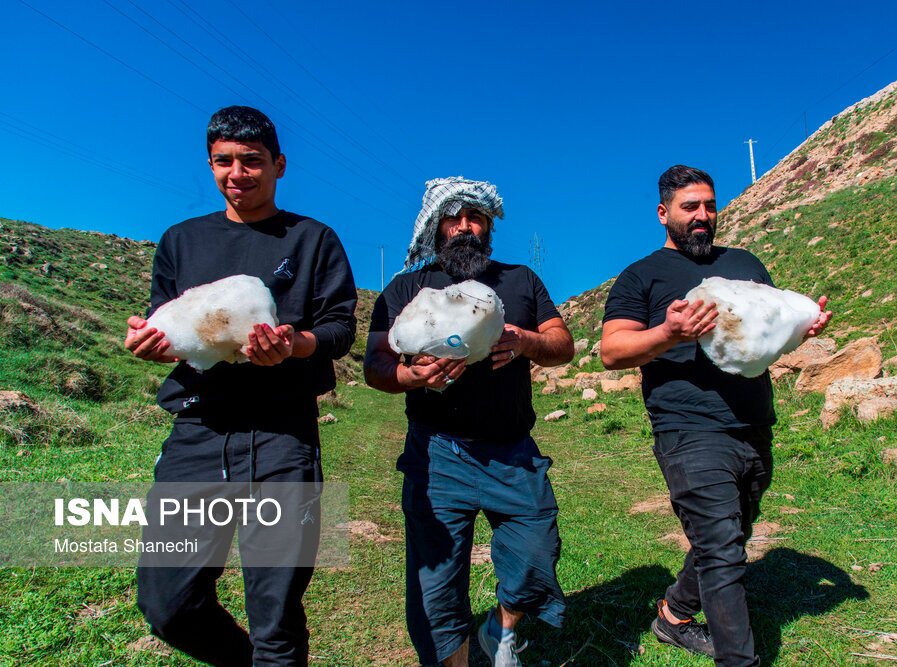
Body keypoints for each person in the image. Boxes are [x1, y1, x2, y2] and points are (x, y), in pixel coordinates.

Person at [124, 105, 357, 666]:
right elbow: (168, 321)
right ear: (209, 165)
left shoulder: (312, 240)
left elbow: (339, 327)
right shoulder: (180, 241)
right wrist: (149, 341)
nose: (238, 173)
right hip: (198, 433)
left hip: (282, 437)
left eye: (252, 161)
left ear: (278, 165)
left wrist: (294, 345)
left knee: (275, 615)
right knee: (168, 604)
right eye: (223, 161)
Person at [600, 165, 831, 667]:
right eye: (690, 207)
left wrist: (800, 329)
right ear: (664, 213)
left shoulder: (745, 263)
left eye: (709, 205)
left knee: (729, 533)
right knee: (724, 551)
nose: (702, 216)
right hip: (687, 428)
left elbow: (766, 334)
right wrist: (669, 333)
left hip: (752, 421)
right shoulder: (642, 275)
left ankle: (674, 613)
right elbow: (612, 351)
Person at [364, 177, 574, 667]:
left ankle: (500, 631)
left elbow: (562, 345)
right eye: (453, 217)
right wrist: (410, 374)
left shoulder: (520, 280)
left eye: (475, 217)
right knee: (435, 587)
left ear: (489, 225)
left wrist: (526, 342)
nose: (464, 226)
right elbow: (375, 364)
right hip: (437, 453)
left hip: (513, 452)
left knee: (536, 557)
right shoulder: (406, 288)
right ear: (435, 227)